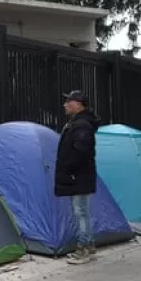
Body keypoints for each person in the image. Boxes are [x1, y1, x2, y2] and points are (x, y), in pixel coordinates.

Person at [54, 90, 101, 265]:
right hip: (80, 176)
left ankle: (83, 249)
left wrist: (69, 169)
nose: (65, 105)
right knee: (83, 212)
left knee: (80, 212)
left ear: (79, 104)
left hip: (78, 176)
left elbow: (80, 152)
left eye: (69, 102)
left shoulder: (82, 126)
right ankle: (89, 246)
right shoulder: (79, 123)